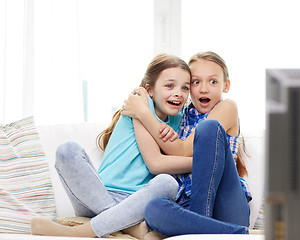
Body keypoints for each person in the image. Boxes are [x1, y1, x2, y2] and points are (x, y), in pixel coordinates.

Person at [30, 53, 193, 239]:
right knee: (67, 150)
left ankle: (94, 227)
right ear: (150, 90)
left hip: (137, 202)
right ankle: (126, 227)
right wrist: (200, 162)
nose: (178, 93)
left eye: (185, 88)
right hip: (98, 195)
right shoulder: (140, 102)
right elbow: (154, 163)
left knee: (167, 183)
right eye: (169, 85)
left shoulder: (181, 120)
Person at [121, 51, 252, 237]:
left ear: (226, 85)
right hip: (187, 203)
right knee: (153, 208)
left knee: (208, 128)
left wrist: (143, 113)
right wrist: (145, 102)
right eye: (196, 82)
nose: (204, 89)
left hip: (227, 205)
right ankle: (231, 233)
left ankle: (198, 230)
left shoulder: (227, 108)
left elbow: (182, 150)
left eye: (213, 82)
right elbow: (157, 161)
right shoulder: (180, 117)